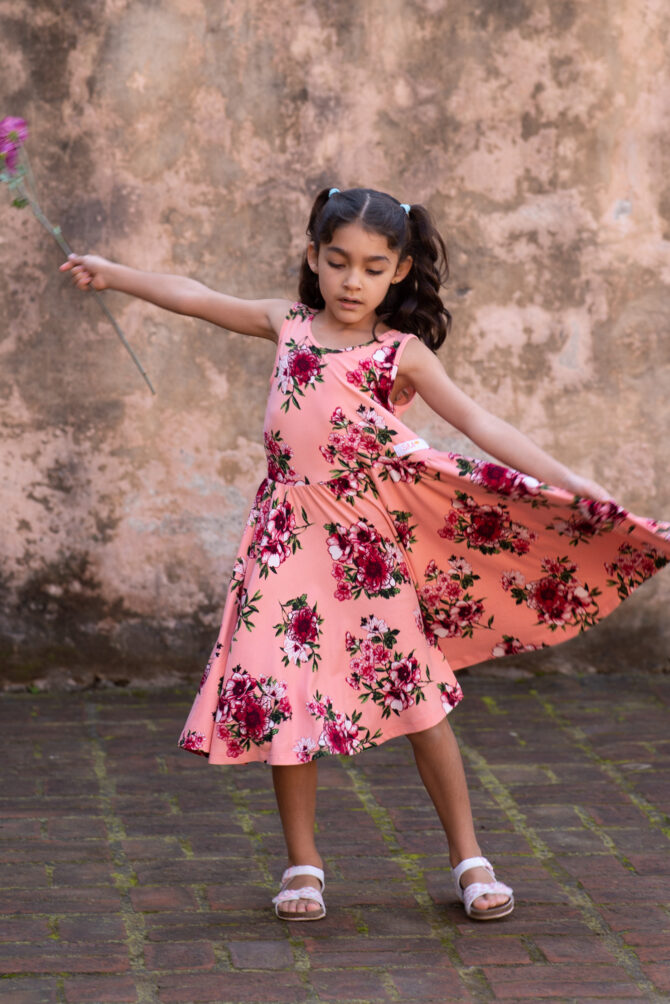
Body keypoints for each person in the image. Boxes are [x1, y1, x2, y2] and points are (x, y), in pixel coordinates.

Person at [61, 186, 670, 924]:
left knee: (418, 700)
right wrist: (113, 271)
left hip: (363, 553)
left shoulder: (399, 354)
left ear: (401, 271)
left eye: (374, 267)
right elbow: (193, 295)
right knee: (283, 696)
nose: (353, 281)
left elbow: (480, 421)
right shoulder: (285, 325)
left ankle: (469, 856)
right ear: (313, 258)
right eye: (339, 262)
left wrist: (571, 483)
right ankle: (303, 864)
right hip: (283, 545)